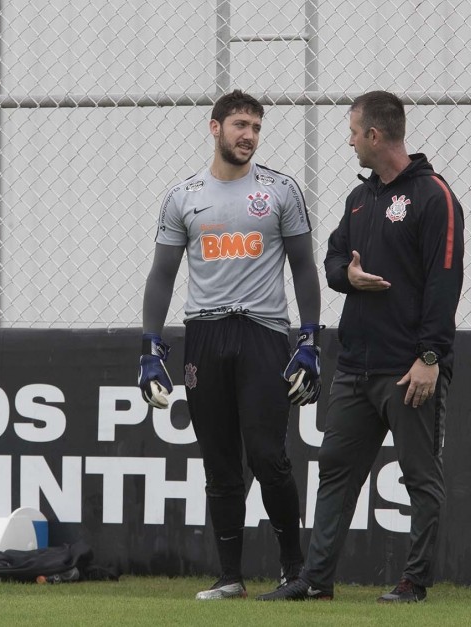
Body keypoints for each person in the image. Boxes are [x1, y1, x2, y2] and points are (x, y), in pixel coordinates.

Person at [258, 90, 465, 603]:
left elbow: (445, 283)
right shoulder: (360, 197)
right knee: (334, 468)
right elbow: (330, 261)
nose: (349, 141)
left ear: (375, 135)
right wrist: (347, 277)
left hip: (408, 370)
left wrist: (430, 358)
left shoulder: (434, 196)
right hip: (354, 366)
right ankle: (315, 582)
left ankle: (414, 583)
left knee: (420, 478)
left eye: (353, 132)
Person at [137, 89, 323, 600]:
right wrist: (151, 349)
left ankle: (293, 571)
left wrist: (309, 341)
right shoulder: (183, 196)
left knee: (268, 457)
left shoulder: (280, 190)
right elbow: (162, 275)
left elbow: (304, 268)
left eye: (257, 127)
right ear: (214, 127)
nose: (249, 136)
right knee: (219, 462)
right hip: (204, 334)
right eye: (241, 124)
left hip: (263, 332)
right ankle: (230, 577)